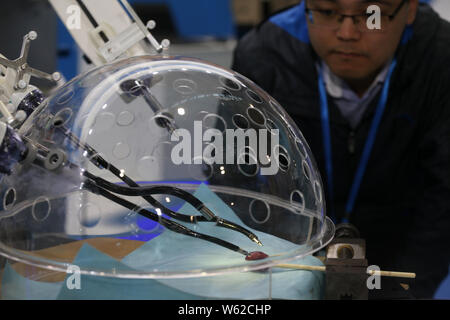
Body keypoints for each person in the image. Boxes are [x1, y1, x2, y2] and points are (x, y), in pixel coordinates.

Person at [232, 0, 450, 299]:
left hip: (401, 253)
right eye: (326, 12)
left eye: (371, 14)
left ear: (409, 9)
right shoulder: (263, 56)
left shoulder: (440, 57)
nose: (347, 33)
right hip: (293, 257)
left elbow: (444, 195)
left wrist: (408, 289)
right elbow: (234, 179)